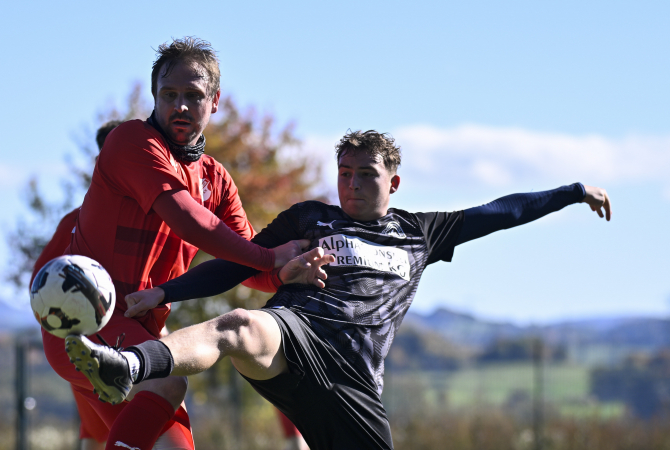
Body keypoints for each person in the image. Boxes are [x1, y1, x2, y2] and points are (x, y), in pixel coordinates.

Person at [66, 129, 612, 449]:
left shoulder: (422, 232)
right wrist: (165, 294)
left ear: (392, 182)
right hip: (292, 338)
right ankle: (130, 366)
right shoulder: (310, 218)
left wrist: (571, 191)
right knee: (241, 324)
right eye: (344, 173)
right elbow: (236, 262)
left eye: (365, 175)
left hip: (353, 382)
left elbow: (501, 212)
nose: (350, 184)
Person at [40, 37, 307, 450]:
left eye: (192, 95)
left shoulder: (216, 179)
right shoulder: (132, 141)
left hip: (138, 336)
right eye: (169, 95)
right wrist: (271, 256)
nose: (179, 105)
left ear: (215, 101)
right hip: (87, 327)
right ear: (154, 96)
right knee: (168, 382)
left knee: (175, 444)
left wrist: (287, 272)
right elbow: (189, 219)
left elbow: (248, 262)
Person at [30, 120, 121, 450]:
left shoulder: (158, 215)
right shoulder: (77, 221)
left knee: (108, 433)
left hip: (132, 340)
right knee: (115, 430)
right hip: (85, 342)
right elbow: (41, 281)